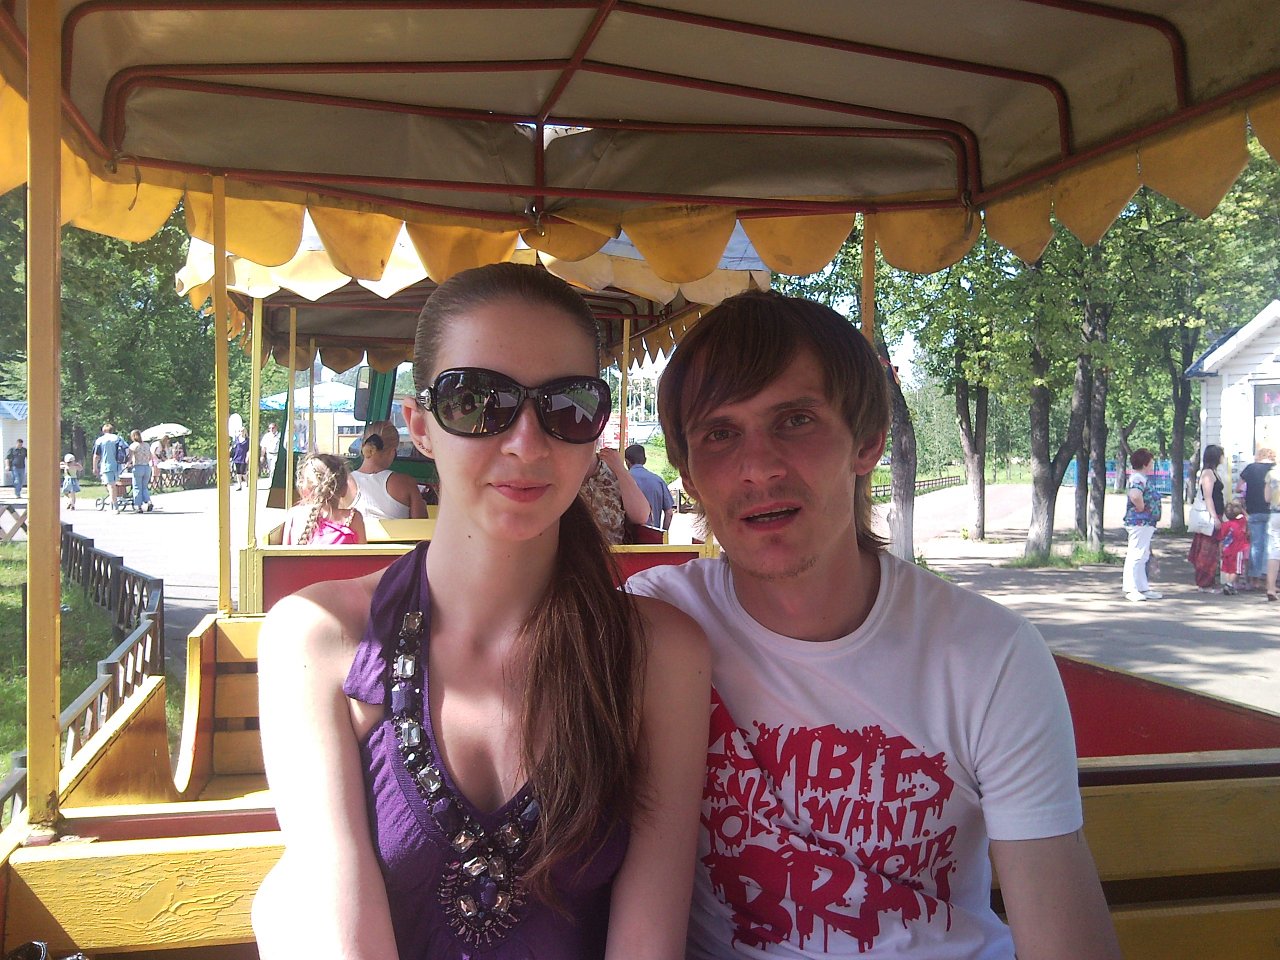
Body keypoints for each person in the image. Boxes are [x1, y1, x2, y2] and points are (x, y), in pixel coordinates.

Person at [626, 290, 1120, 960]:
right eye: (720, 434)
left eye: (795, 420)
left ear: (867, 442)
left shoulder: (989, 657)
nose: (758, 466)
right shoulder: (659, 623)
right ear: (687, 474)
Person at [252, 263, 710, 960]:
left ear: (595, 430)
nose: (526, 442)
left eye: (567, 406)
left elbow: (648, 942)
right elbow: (344, 934)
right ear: (421, 426)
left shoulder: (660, 655)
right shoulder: (321, 639)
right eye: (476, 401)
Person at [279, 453, 367, 546]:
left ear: (306, 488)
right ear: (344, 489)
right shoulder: (353, 518)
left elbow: (285, 553)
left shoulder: (294, 515)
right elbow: (363, 554)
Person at [351, 420, 427, 520]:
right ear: (392, 452)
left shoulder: (345, 482)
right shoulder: (406, 483)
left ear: (364, 446)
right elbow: (421, 524)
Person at [580, 444, 651, 543]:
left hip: (614, 549)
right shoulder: (562, 473)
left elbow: (641, 515)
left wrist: (620, 470)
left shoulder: (612, 470)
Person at [1122, 447, 1162, 602]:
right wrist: (1141, 507)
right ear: (1145, 463)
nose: (1152, 465)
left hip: (1145, 523)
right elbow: (1135, 495)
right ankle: (1131, 588)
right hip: (1139, 522)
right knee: (1136, 554)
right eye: (1150, 462)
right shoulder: (1138, 478)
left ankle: (1142, 587)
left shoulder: (1141, 478)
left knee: (1143, 555)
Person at [1188, 444, 1226, 592]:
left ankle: (1209, 580)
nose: (1223, 458)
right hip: (1209, 517)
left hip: (1216, 513)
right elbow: (1208, 497)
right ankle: (1204, 582)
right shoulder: (1208, 474)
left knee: (1212, 549)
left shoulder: (1213, 472)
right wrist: (1214, 517)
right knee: (1207, 550)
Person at [1236, 447, 1274, 590]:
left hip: (1253, 511)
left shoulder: (1250, 468)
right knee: (1270, 545)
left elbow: (1238, 488)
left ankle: (1254, 579)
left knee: (1256, 545)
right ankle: (1267, 578)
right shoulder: (1275, 469)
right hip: (1273, 511)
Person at [626, 443, 675, 531]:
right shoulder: (658, 481)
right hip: (652, 535)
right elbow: (669, 513)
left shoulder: (621, 480)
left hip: (628, 536)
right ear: (644, 460)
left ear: (627, 461)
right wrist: (662, 533)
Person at [91, 422, 127, 511]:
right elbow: (127, 449)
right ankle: (114, 499)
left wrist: (95, 467)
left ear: (103, 431)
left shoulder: (100, 440)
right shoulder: (118, 438)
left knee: (110, 485)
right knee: (113, 484)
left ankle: (114, 505)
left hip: (106, 465)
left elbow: (96, 455)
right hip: (118, 465)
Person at [1219, 501, 1250, 596]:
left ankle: (1229, 585)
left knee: (1228, 570)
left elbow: (1221, 540)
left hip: (1226, 550)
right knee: (1236, 570)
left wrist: (1220, 551)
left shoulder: (1224, 525)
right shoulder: (1241, 522)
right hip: (1237, 550)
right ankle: (1229, 584)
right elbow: (1248, 518)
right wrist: (1243, 510)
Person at [128, 429, 155, 513]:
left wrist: (128, 464)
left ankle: (138, 506)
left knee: (137, 487)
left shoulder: (133, 446)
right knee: (144, 487)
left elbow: (130, 459)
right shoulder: (147, 445)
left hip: (138, 467)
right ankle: (148, 501)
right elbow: (150, 457)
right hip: (147, 467)